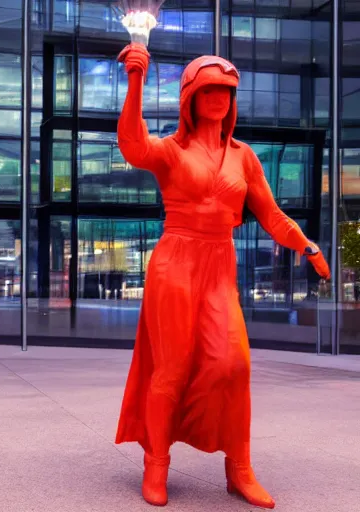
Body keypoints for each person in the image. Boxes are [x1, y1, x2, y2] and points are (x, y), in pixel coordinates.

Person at [114, 42, 331, 510]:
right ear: (190, 96)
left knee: (234, 363)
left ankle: (240, 470)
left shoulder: (243, 156)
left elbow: (271, 214)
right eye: (209, 89)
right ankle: (156, 464)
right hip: (176, 261)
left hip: (219, 264)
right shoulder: (172, 150)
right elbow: (133, 146)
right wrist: (136, 83)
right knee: (170, 368)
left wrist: (306, 244)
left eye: (226, 91)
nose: (218, 97)